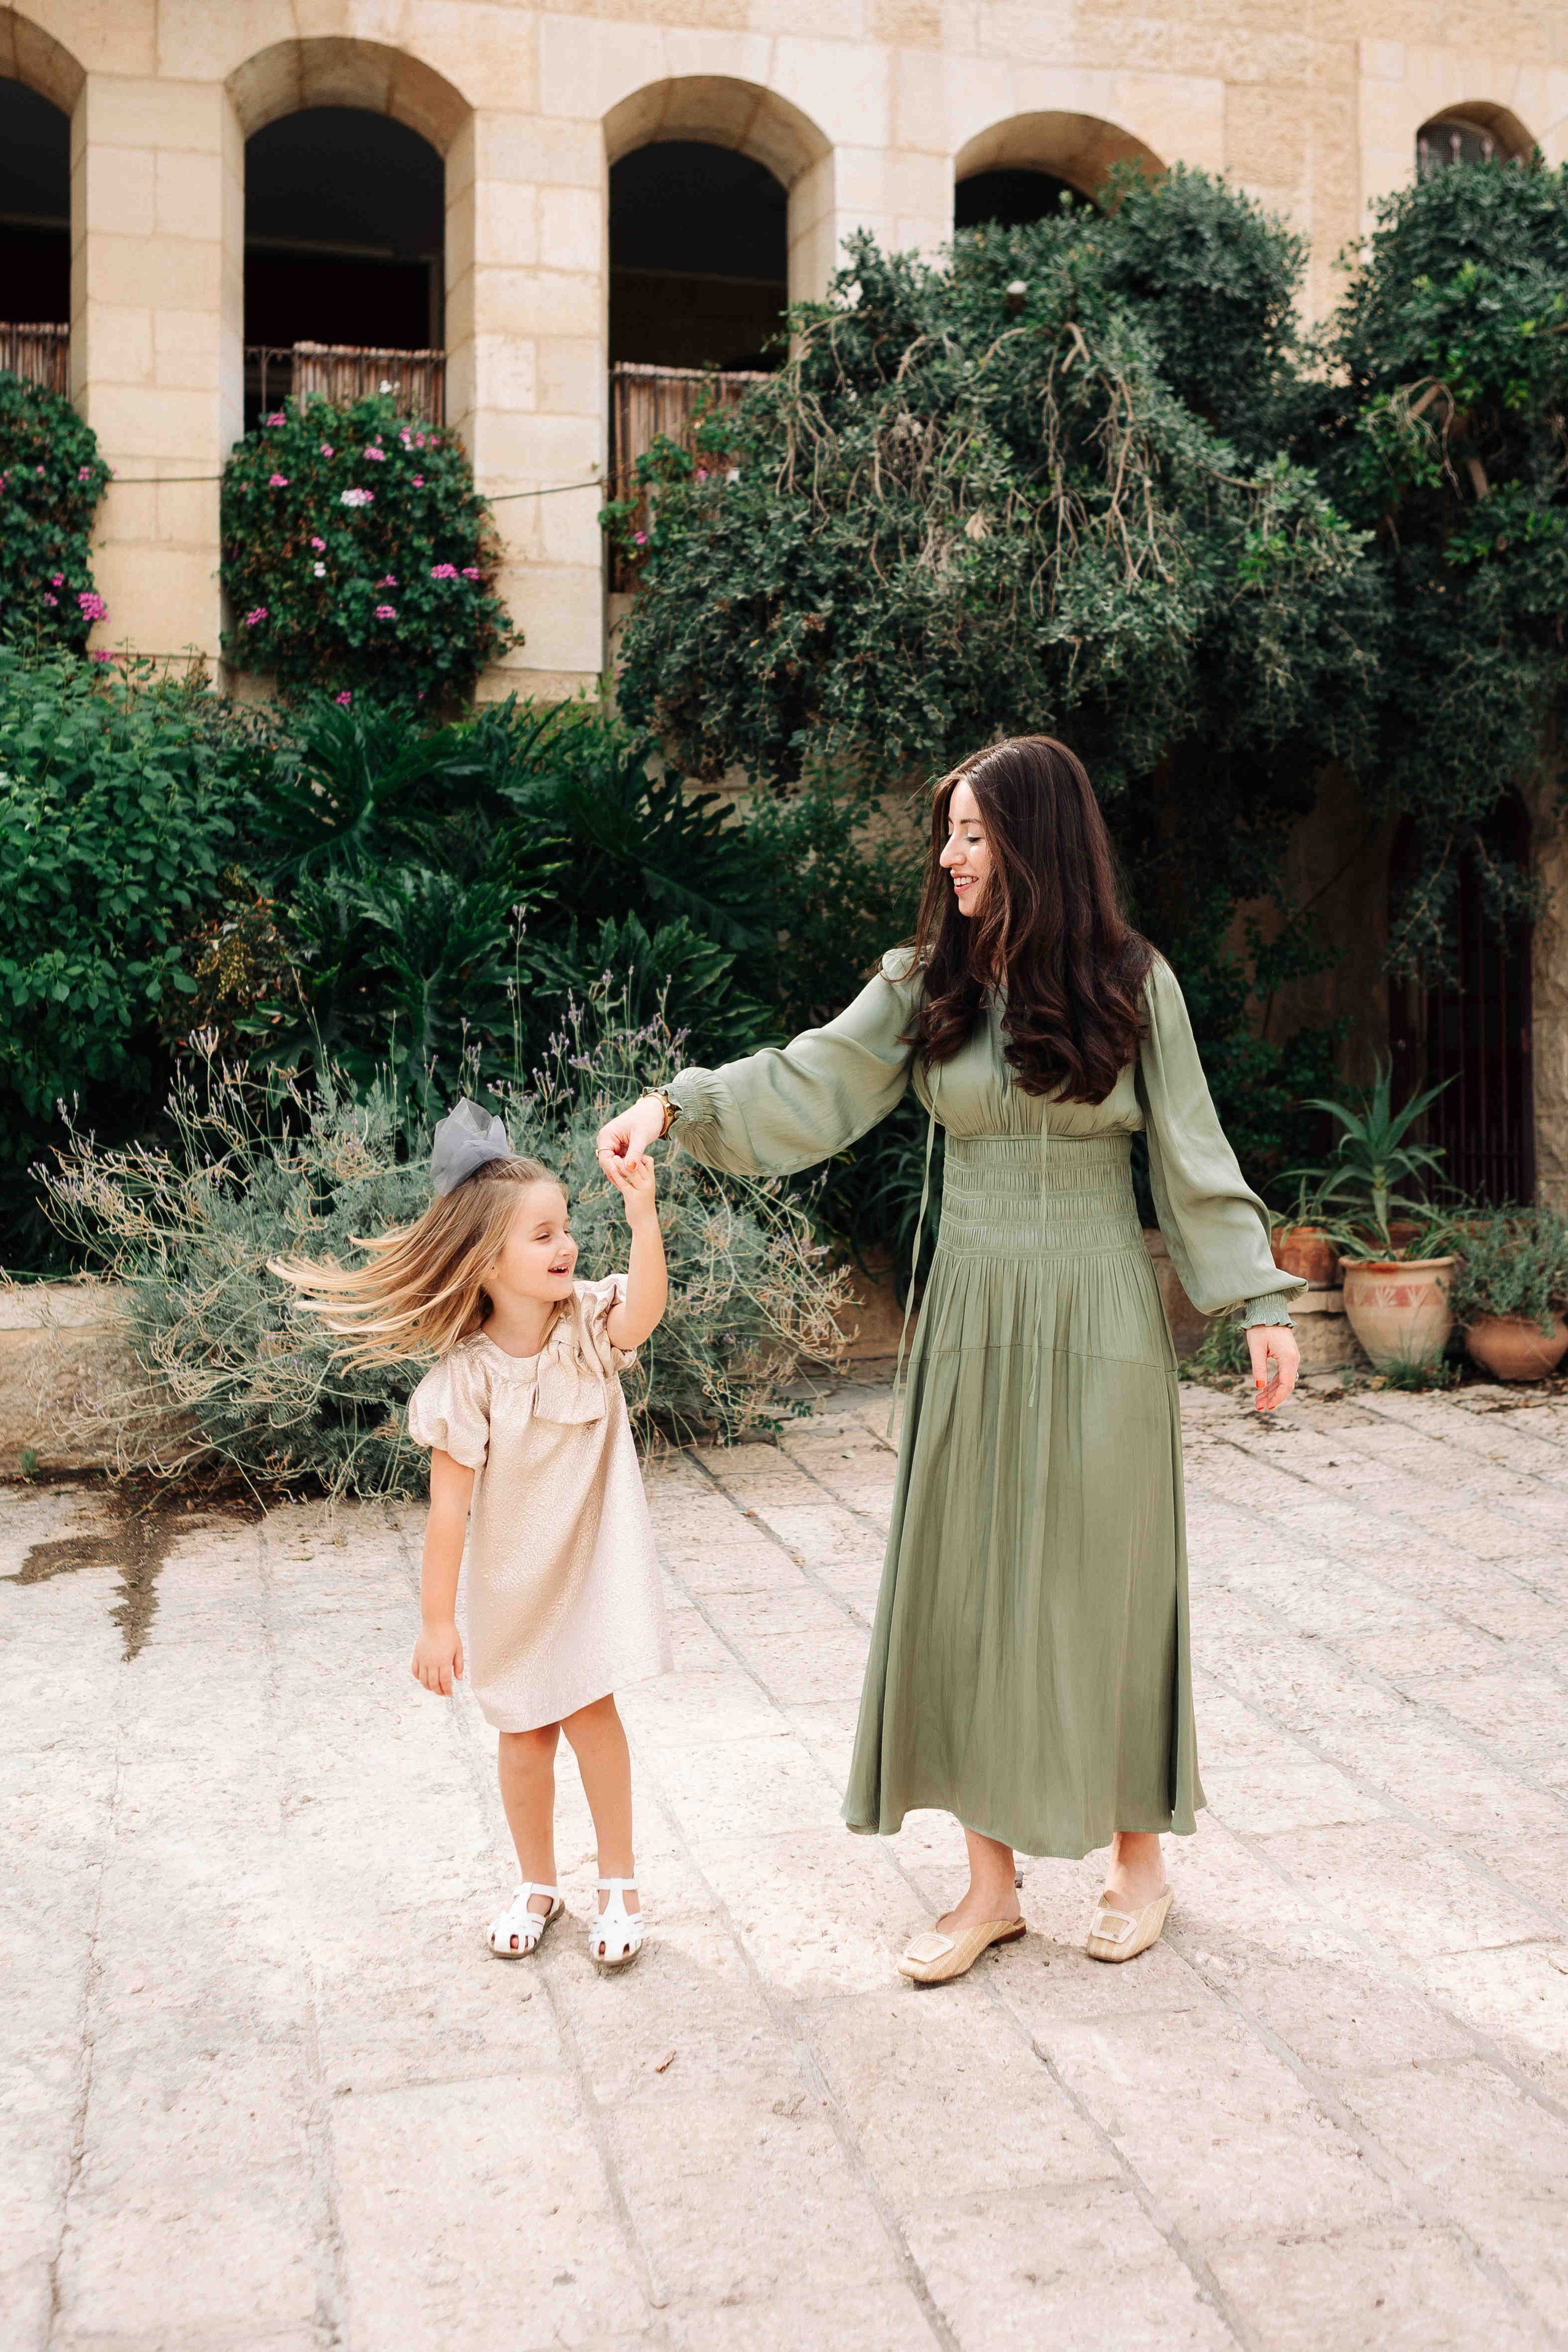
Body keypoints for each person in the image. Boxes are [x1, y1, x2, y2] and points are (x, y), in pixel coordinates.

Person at [598, 737, 1302, 1985]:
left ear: (1031, 841)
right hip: (971, 1312)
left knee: (1107, 1583)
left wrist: (1254, 1300)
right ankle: (988, 1889)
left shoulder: (1133, 984)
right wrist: (675, 1107)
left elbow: (1191, 1153)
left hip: (1095, 1314)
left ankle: (1136, 1860)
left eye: (972, 834)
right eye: (949, 833)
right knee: (969, 1585)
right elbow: (808, 1080)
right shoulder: (925, 983)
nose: (949, 855)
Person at [273, 1099, 671, 1973]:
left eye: (564, 1228)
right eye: (541, 1236)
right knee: (523, 1739)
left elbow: (644, 1311)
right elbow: (447, 1513)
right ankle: (537, 1883)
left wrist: (642, 1216)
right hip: (513, 1586)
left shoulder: (590, 1330)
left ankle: (619, 1881)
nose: (565, 1245)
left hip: (588, 1569)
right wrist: (437, 1622)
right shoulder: (466, 1381)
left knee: (594, 1716)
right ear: (486, 1262)